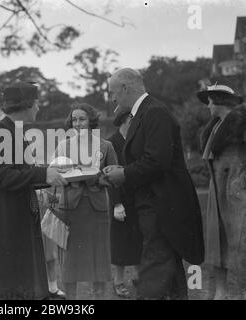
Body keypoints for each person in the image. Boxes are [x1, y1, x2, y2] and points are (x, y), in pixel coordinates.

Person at [104, 68, 204, 300]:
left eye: (113, 92)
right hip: (156, 203)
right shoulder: (144, 113)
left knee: (155, 267)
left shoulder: (154, 112)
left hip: (162, 205)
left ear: (126, 88)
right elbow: (148, 158)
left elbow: (158, 161)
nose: (113, 99)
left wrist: (125, 174)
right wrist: (122, 170)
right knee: (168, 267)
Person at [0, 81, 68, 300]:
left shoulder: (12, 131)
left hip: (13, 211)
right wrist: (42, 175)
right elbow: (1, 176)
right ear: (26, 105)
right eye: (36, 103)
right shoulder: (2, 132)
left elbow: (21, 172)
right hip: (6, 215)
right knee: (12, 270)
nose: (38, 108)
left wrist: (48, 172)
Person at [55, 103, 120, 300]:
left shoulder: (106, 146)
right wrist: (67, 176)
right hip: (70, 209)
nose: (77, 123)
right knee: (69, 264)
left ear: (91, 121)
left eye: (81, 119)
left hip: (97, 208)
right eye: (74, 119)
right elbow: (54, 175)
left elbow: (116, 177)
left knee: (99, 263)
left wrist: (99, 178)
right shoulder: (63, 146)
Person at [198, 84, 246, 300]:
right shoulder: (215, 126)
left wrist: (240, 182)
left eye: (209, 100)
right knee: (217, 241)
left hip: (235, 188)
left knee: (241, 241)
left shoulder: (241, 123)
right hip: (216, 188)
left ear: (218, 100)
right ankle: (221, 292)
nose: (207, 105)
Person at [107, 111, 143, 298]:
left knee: (139, 237)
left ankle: (139, 277)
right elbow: (109, 175)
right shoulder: (112, 142)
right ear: (126, 120)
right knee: (120, 242)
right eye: (133, 120)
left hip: (137, 198)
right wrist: (116, 204)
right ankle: (118, 281)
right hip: (120, 198)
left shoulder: (136, 141)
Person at [37, 188, 65, 299]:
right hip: (33, 227)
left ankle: (53, 288)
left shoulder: (44, 193)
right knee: (37, 259)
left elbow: (56, 198)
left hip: (47, 226)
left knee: (51, 257)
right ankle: (39, 289)